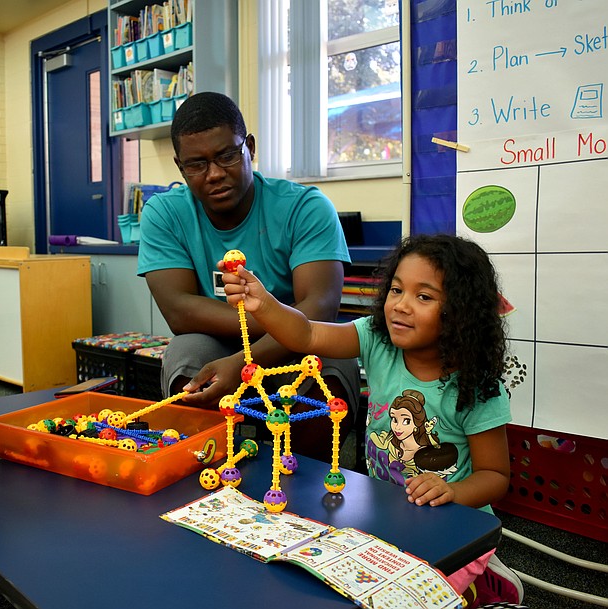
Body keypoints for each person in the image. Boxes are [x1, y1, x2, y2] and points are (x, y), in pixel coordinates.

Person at [219, 233, 525, 607]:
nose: (401, 306)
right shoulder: (377, 339)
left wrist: (454, 492)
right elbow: (308, 333)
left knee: (406, 597)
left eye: (423, 297)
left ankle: (483, 578)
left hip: (453, 526)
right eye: (396, 291)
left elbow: (495, 476)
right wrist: (263, 303)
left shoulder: (476, 385)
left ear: (461, 311)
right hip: (389, 511)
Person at [137, 91, 359, 459]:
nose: (214, 174)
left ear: (250, 147)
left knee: (330, 362)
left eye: (226, 155)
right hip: (220, 342)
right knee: (185, 355)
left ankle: (307, 485)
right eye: (197, 164)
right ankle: (210, 475)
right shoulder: (163, 213)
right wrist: (282, 317)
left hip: (296, 346)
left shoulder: (306, 207)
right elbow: (179, 313)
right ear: (180, 167)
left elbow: (321, 309)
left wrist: (245, 361)